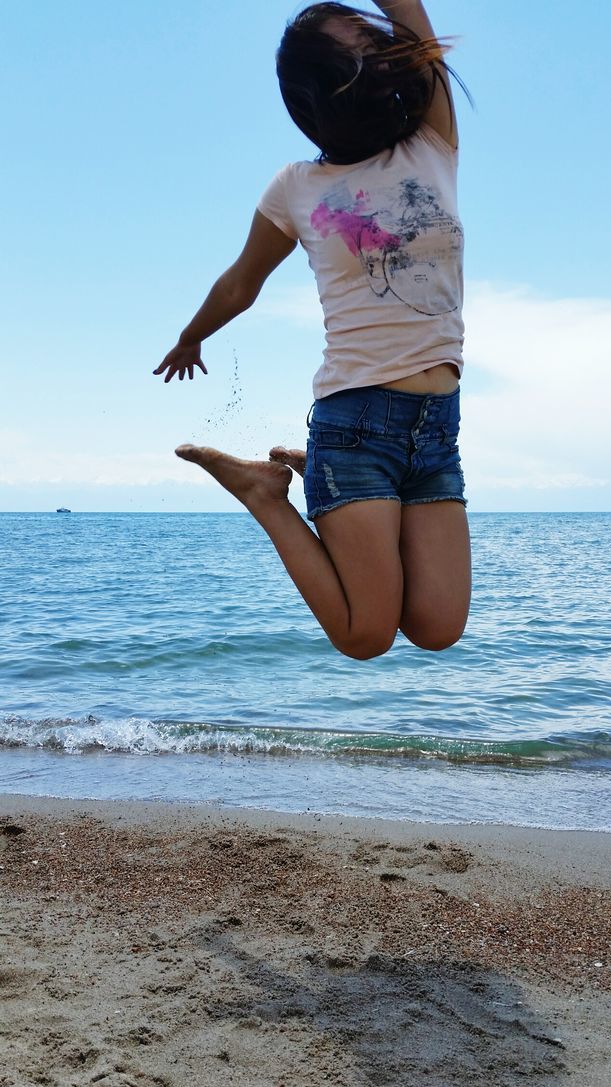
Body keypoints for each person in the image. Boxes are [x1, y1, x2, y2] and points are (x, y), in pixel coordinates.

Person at [154, 1, 471, 661]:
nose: (380, 49)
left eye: (373, 38)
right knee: (365, 637)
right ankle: (264, 494)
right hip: (356, 418)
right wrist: (191, 337)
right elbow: (241, 283)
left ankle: (315, 475)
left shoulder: (432, 139)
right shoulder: (297, 187)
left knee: (438, 628)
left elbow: (407, 9)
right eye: (356, 43)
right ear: (325, 83)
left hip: (437, 426)